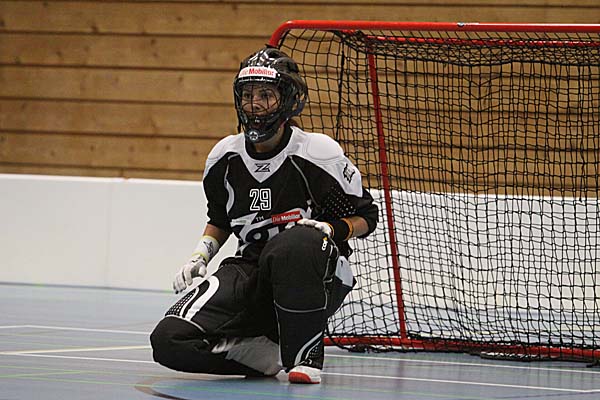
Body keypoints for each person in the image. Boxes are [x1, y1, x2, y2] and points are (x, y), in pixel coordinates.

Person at [150, 46, 379, 384]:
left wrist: (329, 230)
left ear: (288, 100)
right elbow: (220, 220)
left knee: (295, 244)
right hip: (250, 269)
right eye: (247, 95)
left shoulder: (318, 154)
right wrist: (201, 255)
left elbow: (367, 217)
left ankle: (305, 357)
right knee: (168, 341)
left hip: (314, 272)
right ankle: (264, 357)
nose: (254, 104)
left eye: (266, 95)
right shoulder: (224, 157)